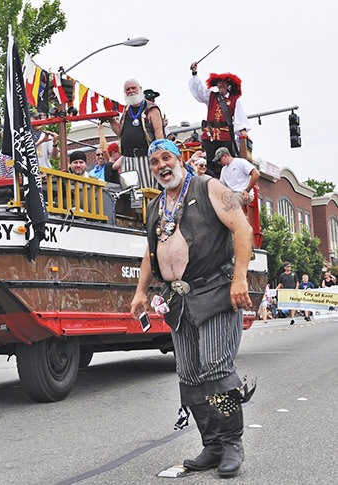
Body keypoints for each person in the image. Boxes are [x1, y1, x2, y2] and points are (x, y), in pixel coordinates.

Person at [130, 138, 254, 478]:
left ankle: (231, 443)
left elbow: (242, 228)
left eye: (166, 157)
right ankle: (212, 444)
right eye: (154, 162)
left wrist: (239, 278)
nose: (160, 166)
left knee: (215, 369)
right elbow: (151, 250)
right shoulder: (156, 206)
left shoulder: (209, 186)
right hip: (177, 300)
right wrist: (141, 291)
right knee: (190, 375)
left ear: (180, 159)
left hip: (215, 291)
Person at [189, 62, 251, 177]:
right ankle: (211, 181)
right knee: (209, 161)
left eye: (223, 83)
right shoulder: (211, 96)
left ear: (228, 85)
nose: (221, 85)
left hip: (225, 136)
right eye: (219, 83)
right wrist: (194, 73)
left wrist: (242, 134)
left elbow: (240, 119)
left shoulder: (234, 100)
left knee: (225, 161)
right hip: (210, 135)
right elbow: (198, 91)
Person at [109, 79, 165, 189]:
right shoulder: (126, 110)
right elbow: (121, 132)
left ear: (140, 89)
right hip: (127, 158)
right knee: (130, 193)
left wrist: (159, 155)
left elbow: (159, 133)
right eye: (127, 89)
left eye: (133, 88)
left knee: (148, 190)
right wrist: (111, 120)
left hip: (145, 157)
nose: (131, 91)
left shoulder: (151, 108)